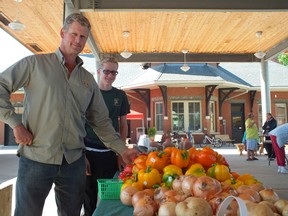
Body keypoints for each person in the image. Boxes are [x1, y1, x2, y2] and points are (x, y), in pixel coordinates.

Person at [0, 13, 138, 216]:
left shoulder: (87, 80)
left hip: (73, 162)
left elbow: (101, 121)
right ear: (63, 33)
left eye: (83, 37)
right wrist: (14, 123)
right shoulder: (34, 65)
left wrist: (122, 149)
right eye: (74, 34)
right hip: (36, 157)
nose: (78, 41)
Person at [83, 57, 130, 215]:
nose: (110, 75)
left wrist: (120, 152)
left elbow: (123, 124)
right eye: (106, 71)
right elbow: (77, 125)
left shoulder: (120, 95)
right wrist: (82, 155)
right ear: (98, 72)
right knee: (88, 197)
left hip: (110, 153)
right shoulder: (87, 93)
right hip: (88, 151)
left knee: (110, 197)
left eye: (114, 72)